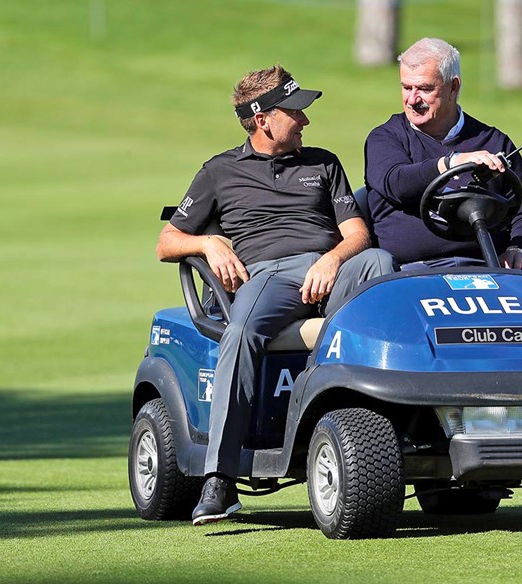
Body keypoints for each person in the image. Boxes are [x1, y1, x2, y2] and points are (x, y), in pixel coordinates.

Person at [156, 65, 396, 526]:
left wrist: (331, 259)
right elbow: (167, 242)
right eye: (296, 111)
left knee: (381, 266)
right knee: (242, 330)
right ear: (263, 118)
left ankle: (386, 429)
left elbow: (357, 234)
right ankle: (220, 480)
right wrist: (206, 242)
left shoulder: (323, 163)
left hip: (334, 269)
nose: (306, 120)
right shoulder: (220, 172)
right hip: (270, 276)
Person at [364, 37, 522, 271]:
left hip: (486, 266)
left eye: (425, 89)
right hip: (410, 272)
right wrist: (451, 162)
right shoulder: (385, 138)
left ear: (453, 87)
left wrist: (518, 249)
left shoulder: (494, 141)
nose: (412, 99)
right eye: (406, 87)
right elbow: (397, 182)